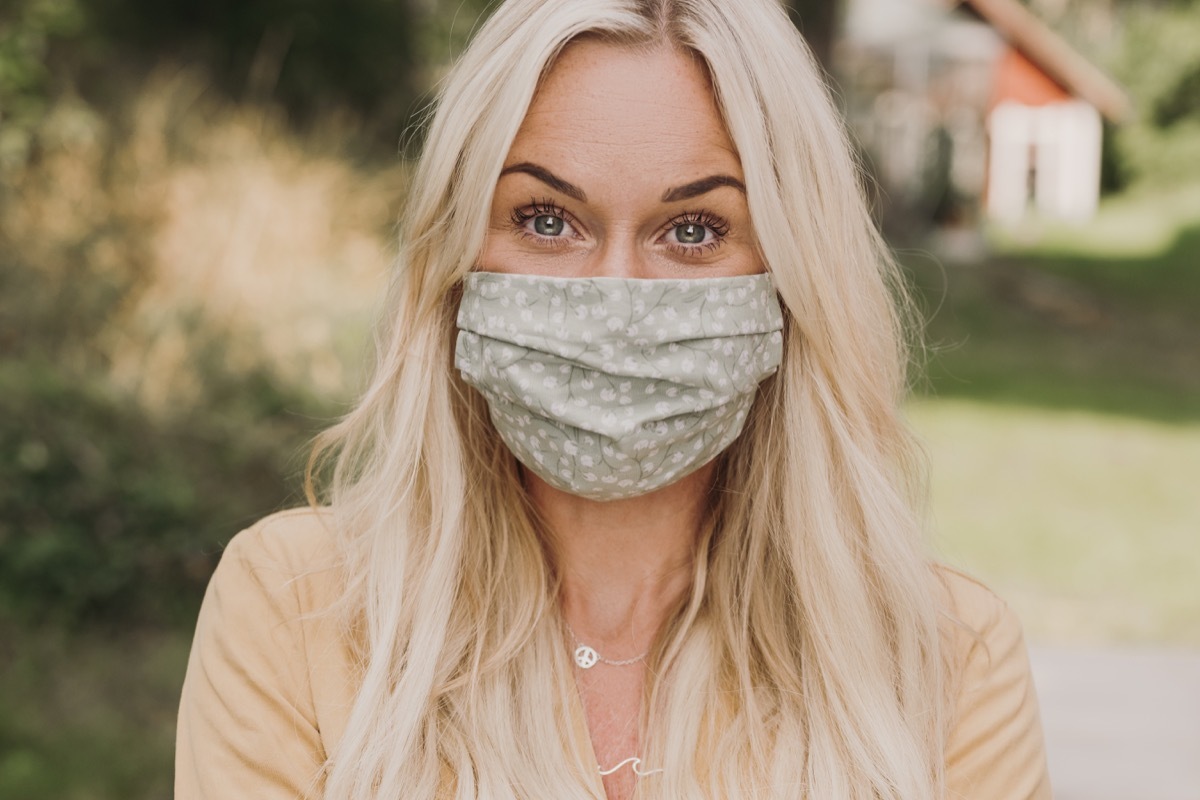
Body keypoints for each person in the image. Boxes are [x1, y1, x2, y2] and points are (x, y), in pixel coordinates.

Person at [175, 1, 1052, 798]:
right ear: (453, 256)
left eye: (695, 230)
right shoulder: (298, 607)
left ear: (792, 274)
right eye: (546, 219)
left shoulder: (943, 657)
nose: (617, 294)